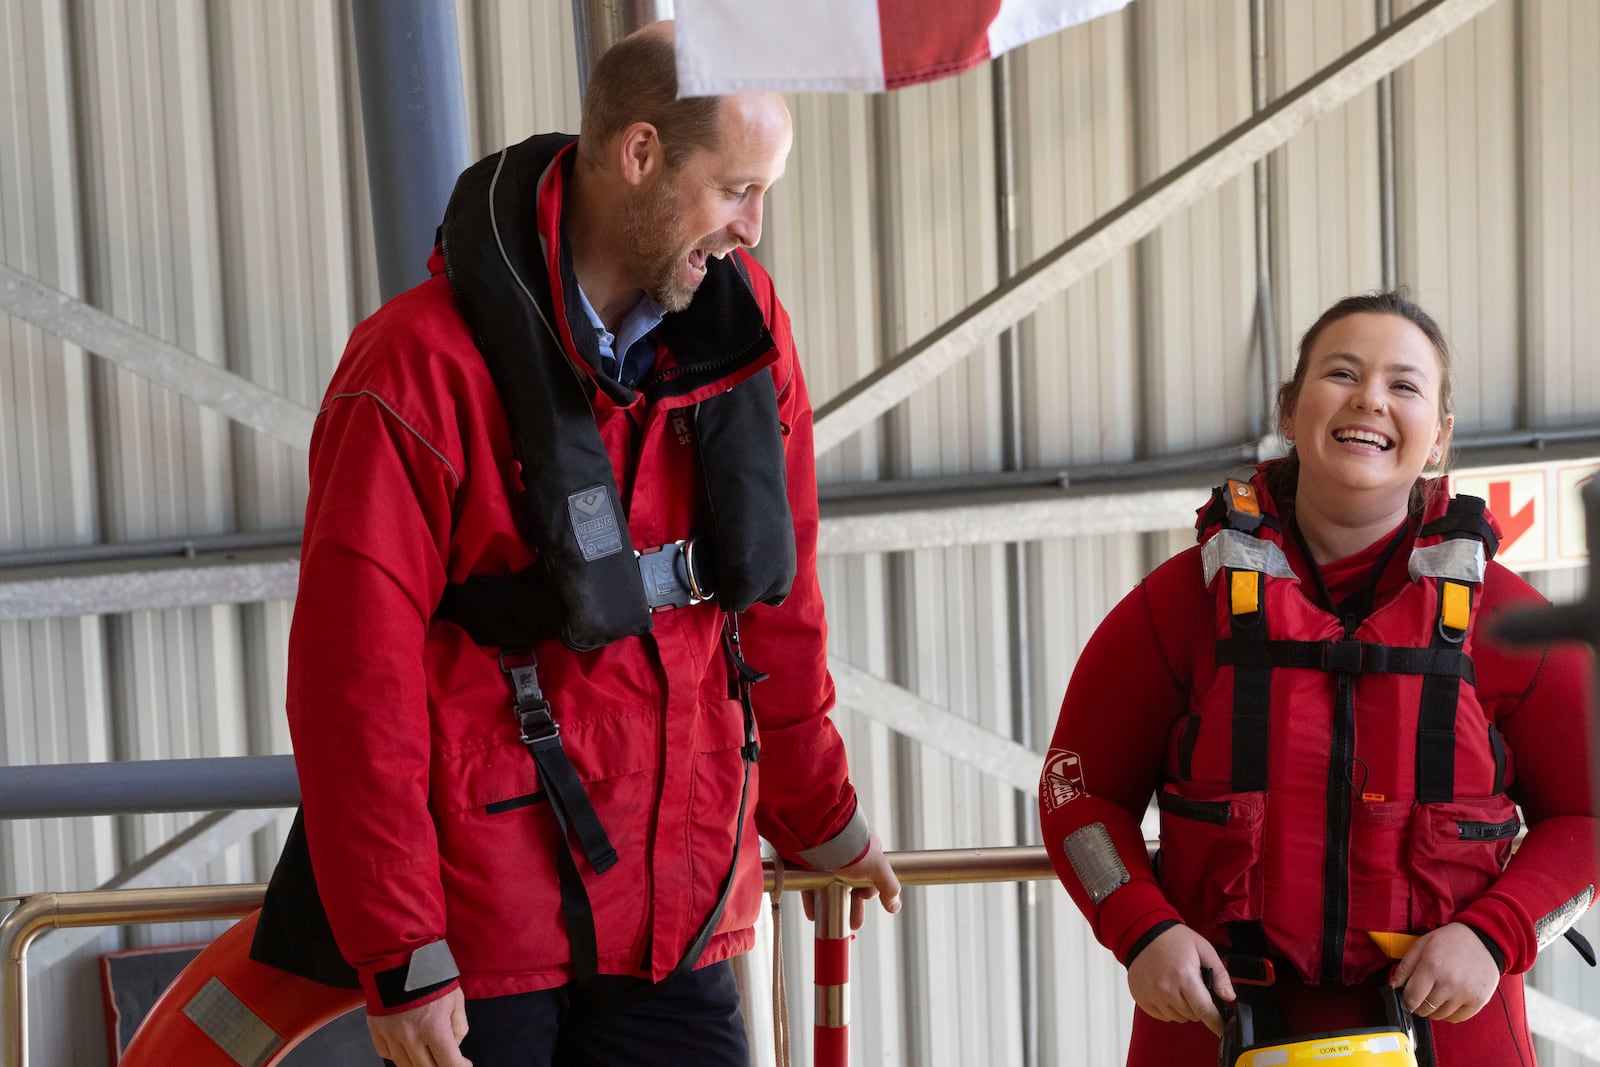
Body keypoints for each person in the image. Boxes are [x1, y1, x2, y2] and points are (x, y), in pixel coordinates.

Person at [267, 22, 900, 1067]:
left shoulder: (746, 335)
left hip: (680, 918)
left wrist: (819, 810)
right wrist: (400, 949)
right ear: (640, 154)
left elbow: (779, 600)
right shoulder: (414, 367)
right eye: (737, 188)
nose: (754, 226)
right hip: (485, 941)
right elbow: (352, 680)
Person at [1038, 291, 1597, 1064]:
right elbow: (1079, 794)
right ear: (1291, 407)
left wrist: (1495, 935)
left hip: (1452, 1028)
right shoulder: (1177, 609)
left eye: (1404, 385)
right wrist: (1140, 928)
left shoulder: (1511, 620)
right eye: (1343, 372)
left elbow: (1589, 818)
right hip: (1213, 1024)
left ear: (1439, 437)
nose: (1370, 397)